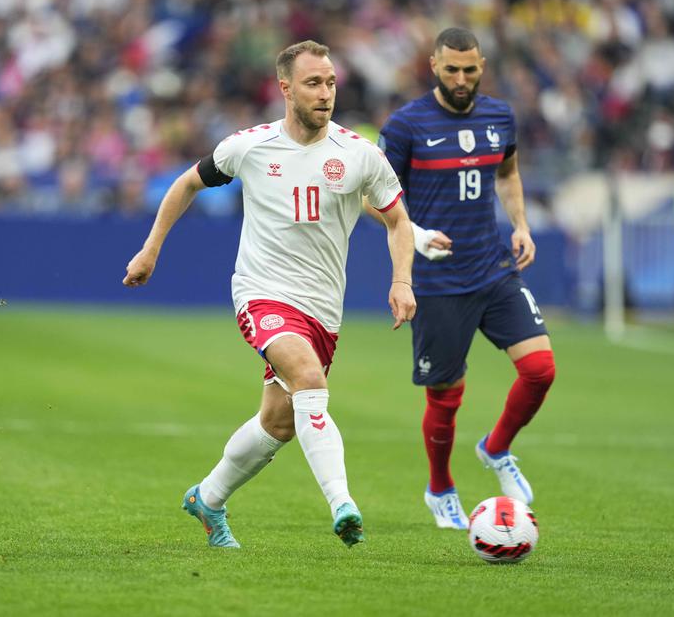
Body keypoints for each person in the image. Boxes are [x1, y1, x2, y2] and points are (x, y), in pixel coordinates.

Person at [123, 40, 416, 548]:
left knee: (278, 422)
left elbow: (397, 221)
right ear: (286, 88)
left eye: (330, 83)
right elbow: (185, 184)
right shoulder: (250, 146)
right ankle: (342, 504)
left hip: (323, 310)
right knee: (307, 377)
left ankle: (208, 498)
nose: (326, 93)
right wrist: (150, 251)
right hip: (262, 293)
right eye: (313, 83)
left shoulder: (360, 155)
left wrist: (402, 279)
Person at [369, 28, 556, 530]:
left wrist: (520, 224)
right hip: (437, 281)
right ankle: (440, 488)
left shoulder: (500, 115)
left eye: (469, 69)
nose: (460, 78)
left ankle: (496, 449)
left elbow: (508, 173)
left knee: (540, 369)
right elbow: (372, 194)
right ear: (433, 65)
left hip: (493, 268)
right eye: (451, 69)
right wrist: (418, 230)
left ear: (482, 66)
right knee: (446, 398)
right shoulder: (407, 125)